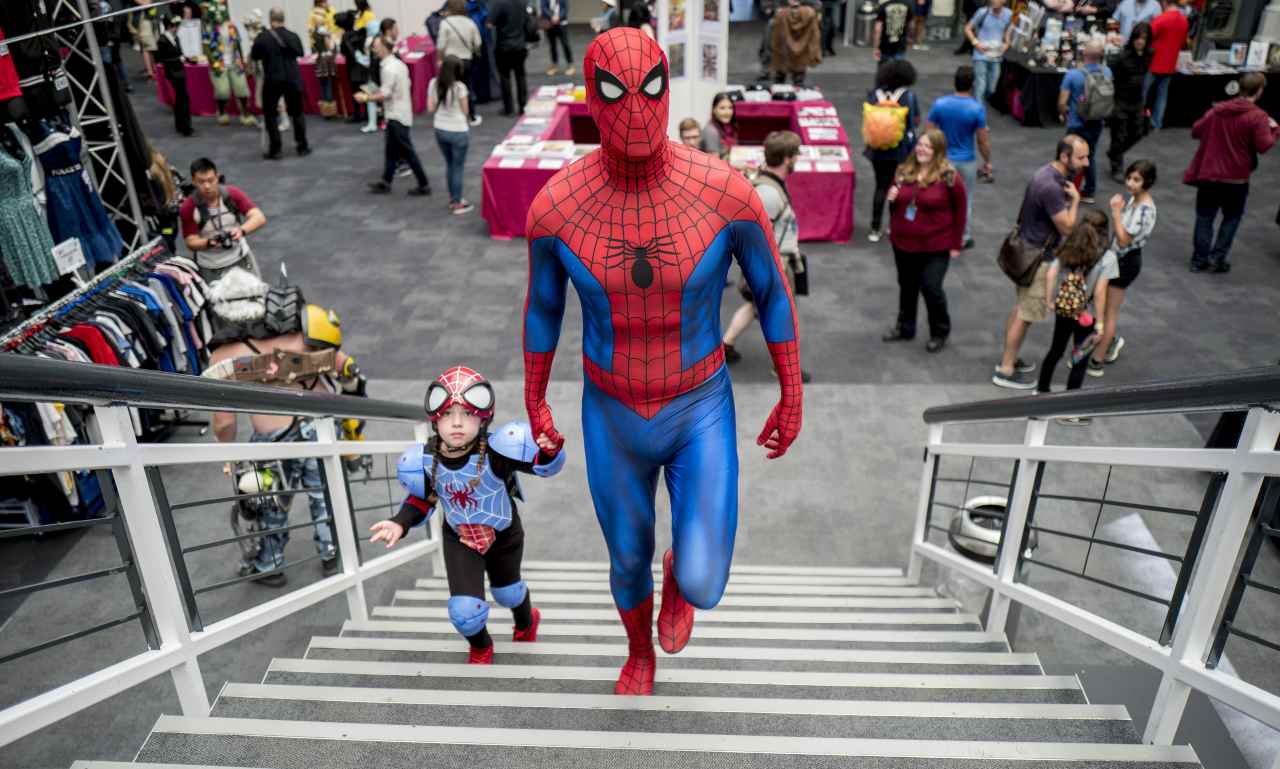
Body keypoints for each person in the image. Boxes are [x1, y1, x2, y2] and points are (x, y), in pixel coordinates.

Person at [523, 29, 803, 697]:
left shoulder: (724, 191)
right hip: (610, 408)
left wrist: (792, 391)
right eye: (616, 94)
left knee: (704, 581)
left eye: (652, 88)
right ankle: (637, 650)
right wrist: (534, 400)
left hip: (698, 400)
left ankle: (680, 570)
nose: (637, 110)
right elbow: (541, 307)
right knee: (625, 558)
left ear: (668, 86)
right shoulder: (556, 207)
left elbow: (771, 288)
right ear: (590, 99)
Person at [371, 366, 565, 664]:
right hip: (459, 537)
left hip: (504, 535)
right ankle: (481, 646)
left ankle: (526, 620)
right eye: (448, 414)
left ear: (484, 417)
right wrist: (400, 522)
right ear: (436, 419)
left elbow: (540, 465)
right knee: (464, 611)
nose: (457, 423)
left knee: (508, 593)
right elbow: (422, 499)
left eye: (468, 414)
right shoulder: (426, 459)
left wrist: (548, 451)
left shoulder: (497, 451)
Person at [203, 273, 363, 583]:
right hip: (320, 425)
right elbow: (344, 365)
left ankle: (269, 563)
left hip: (271, 439)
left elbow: (224, 422)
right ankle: (332, 552)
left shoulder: (223, 355)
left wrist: (227, 454)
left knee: (267, 499)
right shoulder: (301, 332)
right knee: (324, 493)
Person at [993, 135, 1086, 389]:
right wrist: (1076, 200)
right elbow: (1067, 227)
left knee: (1020, 308)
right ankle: (1006, 369)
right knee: (1026, 313)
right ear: (1065, 157)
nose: (1086, 162)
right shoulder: (1052, 187)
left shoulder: (1046, 174)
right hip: (1037, 259)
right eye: (1081, 157)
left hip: (1027, 252)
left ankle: (1008, 358)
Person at [722, 130, 812, 382]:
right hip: (773, 266)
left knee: (754, 307)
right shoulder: (769, 194)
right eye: (796, 155)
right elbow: (755, 234)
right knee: (781, 318)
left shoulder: (766, 182)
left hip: (769, 264)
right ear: (786, 158)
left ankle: (725, 347)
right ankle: (783, 368)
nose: (797, 159)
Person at [1183, 72, 1279, 274]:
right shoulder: (1258, 117)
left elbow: (1195, 131)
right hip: (1236, 180)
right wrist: (1275, 130)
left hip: (1209, 175)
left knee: (1204, 217)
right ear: (1259, 91)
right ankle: (1217, 259)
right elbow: (1263, 146)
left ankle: (1199, 260)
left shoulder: (1218, 110)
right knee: (1231, 218)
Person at [882, 129, 966, 353]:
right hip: (903, 242)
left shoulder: (949, 177)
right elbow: (895, 204)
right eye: (920, 144)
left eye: (928, 146)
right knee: (907, 286)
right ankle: (905, 327)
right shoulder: (903, 171)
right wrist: (891, 201)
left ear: (938, 151)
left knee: (931, 287)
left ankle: (940, 331)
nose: (922, 149)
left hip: (936, 245)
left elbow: (961, 211)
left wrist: (956, 244)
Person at [1036, 210, 1115, 408]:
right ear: (1104, 231)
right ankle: (1069, 406)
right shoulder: (1108, 256)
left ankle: (1041, 390)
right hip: (1086, 315)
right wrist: (1100, 324)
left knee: (1056, 350)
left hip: (1065, 309)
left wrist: (1049, 300)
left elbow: (1051, 274)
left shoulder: (1068, 247)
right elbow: (1099, 293)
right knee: (1080, 357)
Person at [1088, 159, 1156, 377]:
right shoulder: (1134, 200)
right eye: (1129, 177)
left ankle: (1098, 359)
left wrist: (1116, 212)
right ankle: (1108, 341)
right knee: (1102, 305)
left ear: (1148, 182)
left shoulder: (1144, 209)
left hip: (1125, 262)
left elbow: (1125, 239)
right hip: (1116, 258)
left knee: (1109, 312)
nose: (1130, 183)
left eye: (1136, 179)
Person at [359, 35, 432, 198]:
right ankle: (386, 181)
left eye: (376, 47)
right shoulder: (399, 64)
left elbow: (385, 94)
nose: (374, 50)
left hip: (396, 115)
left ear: (384, 48)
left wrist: (365, 98)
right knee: (391, 150)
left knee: (408, 152)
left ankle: (424, 184)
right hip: (401, 112)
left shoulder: (388, 69)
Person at [927, 65, 989, 249]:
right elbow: (982, 140)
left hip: (944, 160)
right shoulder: (977, 109)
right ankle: (963, 237)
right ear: (972, 85)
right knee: (965, 199)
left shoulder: (940, 104)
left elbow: (929, 132)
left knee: (938, 196)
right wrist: (988, 161)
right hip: (967, 161)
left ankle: (937, 232)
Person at [180, 157, 267, 281]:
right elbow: (191, 241)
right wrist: (208, 243)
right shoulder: (188, 207)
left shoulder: (232, 194)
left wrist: (241, 231)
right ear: (193, 181)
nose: (207, 186)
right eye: (201, 182)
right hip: (211, 268)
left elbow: (259, 217)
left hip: (241, 259)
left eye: (211, 180)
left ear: (217, 177)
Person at [865, 59, 920, 242]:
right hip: (900, 150)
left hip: (877, 149)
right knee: (896, 187)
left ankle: (874, 228)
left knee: (880, 187)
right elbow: (914, 123)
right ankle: (893, 226)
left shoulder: (874, 94)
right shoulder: (908, 96)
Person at [251, 8, 310, 160]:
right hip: (293, 78)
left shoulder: (263, 37)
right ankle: (302, 146)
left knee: (270, 114)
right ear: (284, 19)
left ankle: (275, 149)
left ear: (270, 20)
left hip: (273, 79)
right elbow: (301, 53)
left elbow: (255, 55)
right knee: (297, 113)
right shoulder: (293, 36)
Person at [1057, 40, 1111, 203]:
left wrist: (1064, 115)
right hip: (1096, 122)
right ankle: (1089, 192)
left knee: (1069, 157)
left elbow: (1061, 103)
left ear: (1084, 54)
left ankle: (1067, 193)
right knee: (1089, 156)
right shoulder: (1107, 71)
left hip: (1076, 123)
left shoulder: (1073, 74)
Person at [427, 55, 474, 213]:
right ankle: (457, 203)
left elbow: (430, 109)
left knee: (450, 164)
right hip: (458, 131)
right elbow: (466, 111)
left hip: (440, 129)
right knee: (458, 167)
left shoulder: (433, 84)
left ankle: (452, 198)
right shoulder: (460, 88)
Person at [1106, 22, 1151, 182]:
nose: (1140, 41)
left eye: (1144, 38)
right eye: (1138, 37)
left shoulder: (1148, 55)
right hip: (1120, 101)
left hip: (1137, 101)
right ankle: (1116, 166)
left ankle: (1114, 152)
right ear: (1133, 38)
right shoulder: (1122, 57)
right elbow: (1109, 74)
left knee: (1139, 132)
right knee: (1118, 134)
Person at [438, 0, 484, 126]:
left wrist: (440, 59)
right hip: (466, 60)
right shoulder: (470, 23)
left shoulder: (445, 24)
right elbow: (478, 43)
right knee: (467, 88)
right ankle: (471, 116)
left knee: (449, 88)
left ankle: (451, 116)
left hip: (449, 62)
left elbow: (441, 45)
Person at [1145, 0, 1186, 131]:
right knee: (1162, 95)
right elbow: (1183, 42)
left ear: (1164, 2)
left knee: (1142, 94)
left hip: (1153, 63)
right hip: (1170, 64)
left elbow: (1146, 38)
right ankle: (1157, 123)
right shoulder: (1184, 21)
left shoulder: (1160, 19)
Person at [965, 0, 1012, 106]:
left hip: (996, 56)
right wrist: (976, 43)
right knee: (980, 87)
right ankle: (978, 115)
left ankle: (977, 95)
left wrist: (1006, 44)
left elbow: (1007, 32)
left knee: (991, 88)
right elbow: (968, 28)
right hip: (980, 55)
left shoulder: (1008, 14)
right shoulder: (983, 12)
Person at [156, 15, 194, 137]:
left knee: (180, 99)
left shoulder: (175, 38)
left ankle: (181, 125)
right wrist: (180, 59)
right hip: (172, 72)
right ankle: (185, 127)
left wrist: (187, 59)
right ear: (169, 27)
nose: (176, 29)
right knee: (183, 99)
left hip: (180, 71)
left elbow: (180, 53)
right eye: (174, 26)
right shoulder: (162, 40)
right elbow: (162, 59)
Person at [490, 0, 531, 116]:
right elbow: (528, 22)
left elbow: (489, 23)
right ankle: (523, 107)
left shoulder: (499, 4)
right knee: (521, 76)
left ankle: (509, 109)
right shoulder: (522, 3)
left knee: (505, 78)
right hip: (520, 46)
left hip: (504, 47)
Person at [771, 0, 821, 85]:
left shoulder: (781, 13)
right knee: (800, 60)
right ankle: (797, 82)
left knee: (782, 60)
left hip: (784, 30)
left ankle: (780, 84)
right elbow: (818, 5)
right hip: (804, 30)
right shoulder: (809, 12)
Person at [308, 0, 340, 119]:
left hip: (319, 58)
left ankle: (325, 110)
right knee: (328, 84)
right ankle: (330, 111)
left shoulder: (314, 32)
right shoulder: (324, 32)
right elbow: (330, 46)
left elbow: (313, 45)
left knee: (322, 83)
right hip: (326, 58)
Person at [541, 0, 575, 76]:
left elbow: (565, 9)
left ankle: (570, 65)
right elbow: (543, 8)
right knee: (552, 45)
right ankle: (554, 65)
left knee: (565, 44)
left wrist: (559, 17)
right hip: (550, 24)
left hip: (562, 24)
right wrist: (552, 17)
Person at [699, 92, 738, 158]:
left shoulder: (728, 128)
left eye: (730, 108)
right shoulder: (711, 131)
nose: (727, 112)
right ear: (714, 110)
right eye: (722, 108)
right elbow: (714, 163)